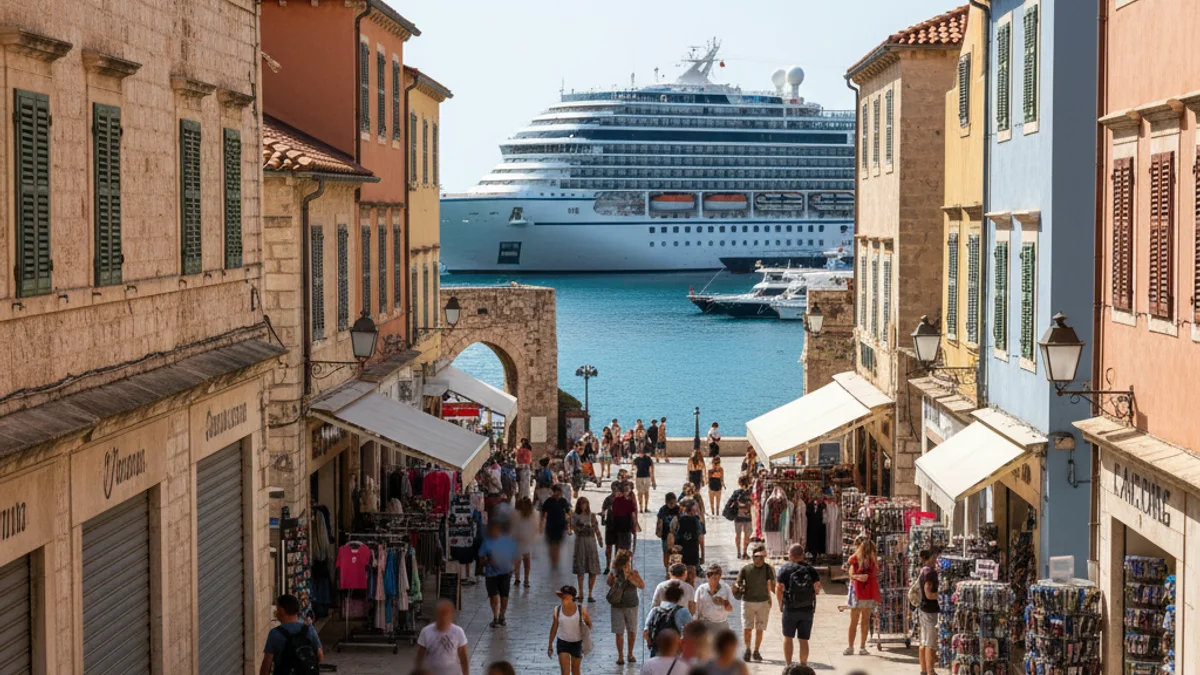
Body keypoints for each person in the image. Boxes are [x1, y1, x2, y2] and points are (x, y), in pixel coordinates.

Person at [776, 543, 822, 669]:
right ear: (802, 555)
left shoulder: (784, 569)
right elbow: (817, 589)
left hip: (790, 608)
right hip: (807, 609)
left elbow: (779, 589)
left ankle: (788, 666)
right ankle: (803, 666)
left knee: (788, 637)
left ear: (790, 555)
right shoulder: (811, 570)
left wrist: (780, 604)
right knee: (803, 640)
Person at [259, 594, 322, 675]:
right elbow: (320, 656)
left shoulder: (275, 634)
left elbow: (267, 664)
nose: (276, 612)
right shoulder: (309, 629)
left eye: (277, 608)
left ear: (282, 610)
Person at [735, 546, 775, 661]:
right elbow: (738, 582)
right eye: (758, 557)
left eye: (763, 557)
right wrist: (740, 587)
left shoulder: (767, 569)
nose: (761, 559)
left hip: (763, 601)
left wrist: (770, 598)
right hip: (748, 601)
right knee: (747, 628)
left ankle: (756, 650)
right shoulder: (745, 569)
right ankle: (748, 649)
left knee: (760, 628)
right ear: (753, 557)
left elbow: (770, 583)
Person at [606, 549, 645, 665]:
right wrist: (613, 576)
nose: (628, 565)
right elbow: (609, 584)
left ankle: (630, 653)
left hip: (631, 604)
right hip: (617, 605)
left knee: (632, 630)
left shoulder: (634, 573)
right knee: (619, 632)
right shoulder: (615, 573)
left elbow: (642, 585)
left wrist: (630, 577)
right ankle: (620, 656)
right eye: (627, 562)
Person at [478, 520, 520, 627]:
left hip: (505, 572)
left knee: (504, 596)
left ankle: (502, 616)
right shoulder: (486, 542)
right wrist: (487, 560)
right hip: (490, 573)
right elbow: (481, 558)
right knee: (493, 596)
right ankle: (495, 617)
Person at [845, 538, 882, 656]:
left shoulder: (855, 559)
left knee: (854, 620)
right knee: (864, 620)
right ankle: (861, 647)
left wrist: (857, 577)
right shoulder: (868, 560)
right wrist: (860, 577)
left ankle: (852, 647)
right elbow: (875, 573)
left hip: (859, 592)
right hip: (866, 592)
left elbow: (851, 574)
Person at [415, 598, 469, 675]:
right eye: (441, 614)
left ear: (451, 615)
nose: (444, 617)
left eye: (446, 613)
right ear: (437, 614)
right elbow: (420, 656)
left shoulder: (458, 632)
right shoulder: (426, 631)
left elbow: (463, 657)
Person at [548, 585, 592, 675]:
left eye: (566, 595)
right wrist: (550, 644)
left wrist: (586, 634)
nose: (564, 597)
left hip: (577, 643)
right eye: (563, 595)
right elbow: (554, 627)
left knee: (576, 671)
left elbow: (589, 623)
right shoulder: (557, 610)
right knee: (565, 672)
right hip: (562, 642)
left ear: (572, 596)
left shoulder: (580, 609)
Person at [644, 582, 692, 656]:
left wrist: (650, 644)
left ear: (665, 596)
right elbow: (692, 631)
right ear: (680, 597)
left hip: (656, 650)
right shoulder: (683, 611)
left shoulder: (655, 610)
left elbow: (646, 631)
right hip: (674, 651)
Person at [570, 497, 603, 601]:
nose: (584, 506)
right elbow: (574, 529)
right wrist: (577, 526)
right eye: (582, 504)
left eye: (585, 504)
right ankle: (580, 593)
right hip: (580, 543)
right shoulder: (574, 516)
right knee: (581, 569)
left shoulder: (592, 516)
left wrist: (600, 540)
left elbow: (596, 528)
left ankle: (590, 593)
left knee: (592, 569)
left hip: (591, 543)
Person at [668, 499, 705, 583]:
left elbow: (670, 534)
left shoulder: (676, 519)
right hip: (693, 553)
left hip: (680, 553)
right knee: (691, 577)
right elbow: (701, 539)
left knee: (678, 577)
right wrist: (702, 555)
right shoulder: (697, 521)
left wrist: (673, 547)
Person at [918, 548, 942, 675]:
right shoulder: (930, 573)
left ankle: (923, 670)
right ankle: (930, 671)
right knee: (930, 642)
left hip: (924, 609)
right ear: (932, 557)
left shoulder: (924, 570)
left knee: (924, 640)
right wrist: (942, 595)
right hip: (929, 610)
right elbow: (929, 594)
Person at [693, 563, 734, 633]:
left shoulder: (726, 588)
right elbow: (696, 609)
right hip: (705, 623)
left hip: (722, 624)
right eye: (712, 578)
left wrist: (724, 602)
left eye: (717, 578)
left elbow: (730, 609)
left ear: (720, 577)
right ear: (708, 577)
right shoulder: (701, 589)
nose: (714, 581)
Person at [541, 485, 572, 568]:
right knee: (551, 545)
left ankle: (555, 562)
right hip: (550, 525)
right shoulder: (548, 501)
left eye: (559, 492)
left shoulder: (563, 501)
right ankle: (553, 560)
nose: (557, 494)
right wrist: (541, 525)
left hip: (560, 525)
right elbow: (543, 513)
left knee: (557, 544)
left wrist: (569, 526)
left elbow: (569, 513)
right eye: (556, 492)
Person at [513, 496, 536, 588]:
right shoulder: (532, 515)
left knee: (517, 560)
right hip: (526, 540)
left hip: (518, 540)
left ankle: (517, 579)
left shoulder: (517, 515)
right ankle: (526, 579)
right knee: (526, 560)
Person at [656, 492, 682, 569]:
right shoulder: (663, 509)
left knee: (676, 554)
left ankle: (675, 569)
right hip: (665, 535)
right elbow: (659, 521)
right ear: (666, 502)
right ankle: (667, 568)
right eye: (670, 503)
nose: (673, 504)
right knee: (666, 553)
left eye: (674, 502)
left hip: (676, 536)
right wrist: (658, 532)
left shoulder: (678, 509)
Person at [731, 476, 754, 559]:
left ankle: (738, 552)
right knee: (747, 535)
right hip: (748, 517)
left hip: (738, 517)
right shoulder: (750, 493)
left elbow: (732, 504)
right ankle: (744, 552)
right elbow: (753, 503)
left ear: (740, 483)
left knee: (738, 535)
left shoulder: (736, 492)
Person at [633, 445, 657, 513]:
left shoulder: (636, 460)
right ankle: (645, 508)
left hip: (639, 477)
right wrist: (653, 481)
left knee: (640, 493)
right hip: (646, 477)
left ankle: (641, 508)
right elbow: (652, 470)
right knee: (646, 492)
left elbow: (633, 470)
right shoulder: (649, 459)